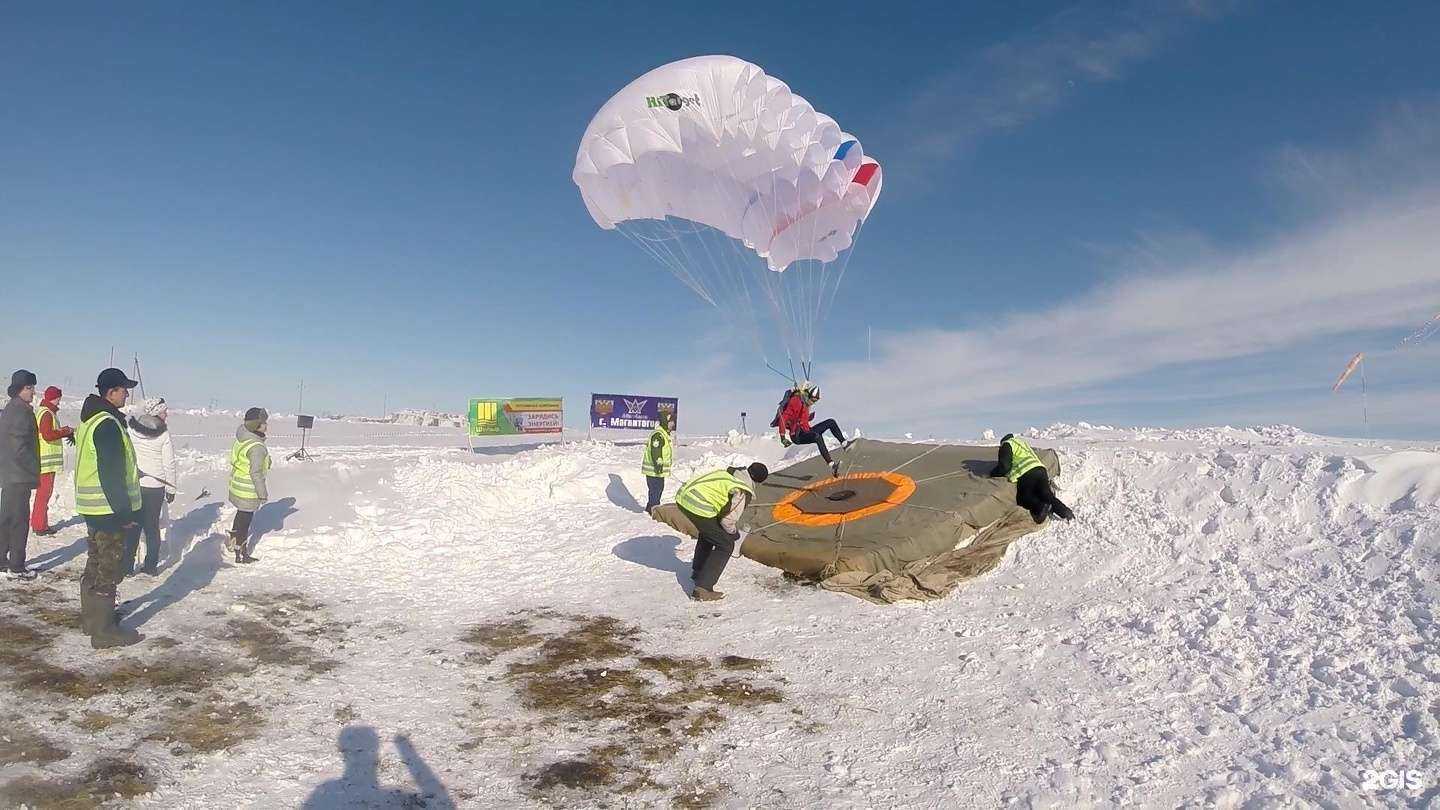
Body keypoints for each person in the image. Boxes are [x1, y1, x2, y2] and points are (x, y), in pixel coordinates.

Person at [74, 368, 144, 647]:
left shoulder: (93, 420)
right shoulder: (106, 423)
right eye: (124, 388)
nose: (127, 393)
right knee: (109, 566)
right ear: (111, 391)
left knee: (95, 561)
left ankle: (92, 620)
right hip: (107, 509)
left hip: (95, 507)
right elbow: (111, 472)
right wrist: (124, 512)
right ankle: (103, 631)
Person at [674, 462, 768, 601]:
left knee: (710, 533)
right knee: (725, 544)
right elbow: (727, 521)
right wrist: (733, 533)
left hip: (684, 497)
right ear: (758, 482)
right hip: (697, 505)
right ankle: (703, 589)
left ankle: (698, 572)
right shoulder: (742, 489)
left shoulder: (732, 474)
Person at [124, 398, 176, 576]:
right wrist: (171, 488)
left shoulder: (131, 429)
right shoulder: (163, 434)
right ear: (155, 412)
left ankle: (126, 566)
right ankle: (151, 566)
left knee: (133, 525)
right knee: (152, 527)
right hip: (155, 486)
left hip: (135, 483)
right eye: (163, 411)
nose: (166, 414)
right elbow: (169, 464)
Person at [1, 370, 40, 580]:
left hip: (9, 474)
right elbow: (20, 448)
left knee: (6, 519)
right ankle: (16, 566)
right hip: (18, 475)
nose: (33, 391)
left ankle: (1, 560)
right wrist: (32, 467)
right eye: (30, 387)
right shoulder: (22, 411)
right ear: (20, 389)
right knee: (19, 522)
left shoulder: (9, 409)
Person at [990, 433, 1074, 524]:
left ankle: (1040, 507)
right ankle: (1065, 512)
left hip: (1026, 472)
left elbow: (1005, 466)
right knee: (1046, 493)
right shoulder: (1020, 442)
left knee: (1023, 497)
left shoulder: (1006, 444)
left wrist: (993, 473)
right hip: (1040, 469)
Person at [228, 407, 271, 564]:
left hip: (237, 486)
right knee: (245, 523)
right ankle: (242, 554)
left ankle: (232, 544)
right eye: (263, 423)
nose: (266, 426)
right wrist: (262, 494)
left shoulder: (243, 438)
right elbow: (256, 473)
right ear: (256, 425)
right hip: (248, 490)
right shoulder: (256, 446)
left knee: (239, 517)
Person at [777, 381, 848, 476]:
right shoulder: (795, 401)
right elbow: (783, 418)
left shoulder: (806, 402)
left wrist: (808, 417)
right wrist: (782, 436)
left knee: (831, 422)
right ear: (809, 395)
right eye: (813, 400)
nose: (813, 402)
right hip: (797, 436)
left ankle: (844, 444)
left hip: (806, 431)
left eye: (815, 401)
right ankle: (832, 465)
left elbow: (802, 417)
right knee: (817, 436)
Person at [31, 386, 74, 536]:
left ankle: (38, 523)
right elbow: (48, 435)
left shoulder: (45, 412)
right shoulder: (47, 414)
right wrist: (65, 432)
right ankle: (39, 525)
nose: (60, 401)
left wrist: (63, 430)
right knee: (44, 494)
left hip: (45, 461)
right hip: (46, 462)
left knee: (43, 494)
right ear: (54, 398)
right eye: (59, 398)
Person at [641, 412, 675, 514]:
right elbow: (656, 452)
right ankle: (653, 511)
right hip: (654, 471)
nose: (673, 424)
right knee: (655, 491)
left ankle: (651, 509)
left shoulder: (663, 434)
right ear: (665, 422)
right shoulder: (658, 435)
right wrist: (659, 466)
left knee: (658, 490)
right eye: (671, 422)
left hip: (657, 471)